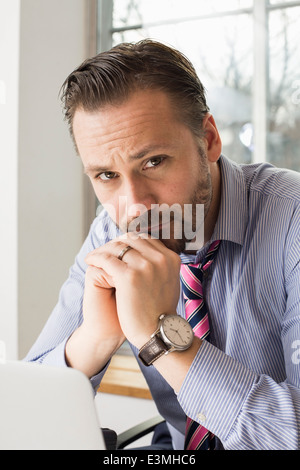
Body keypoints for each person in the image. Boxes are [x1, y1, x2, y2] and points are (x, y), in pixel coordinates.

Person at [25, 39, 300, 450]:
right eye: (106, 175)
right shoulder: (111, 235)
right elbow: (23, 413)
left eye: (152, 161)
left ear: (207, 139)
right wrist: (96, 336)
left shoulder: (291, 218)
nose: (134, 204)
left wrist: (161, 338)